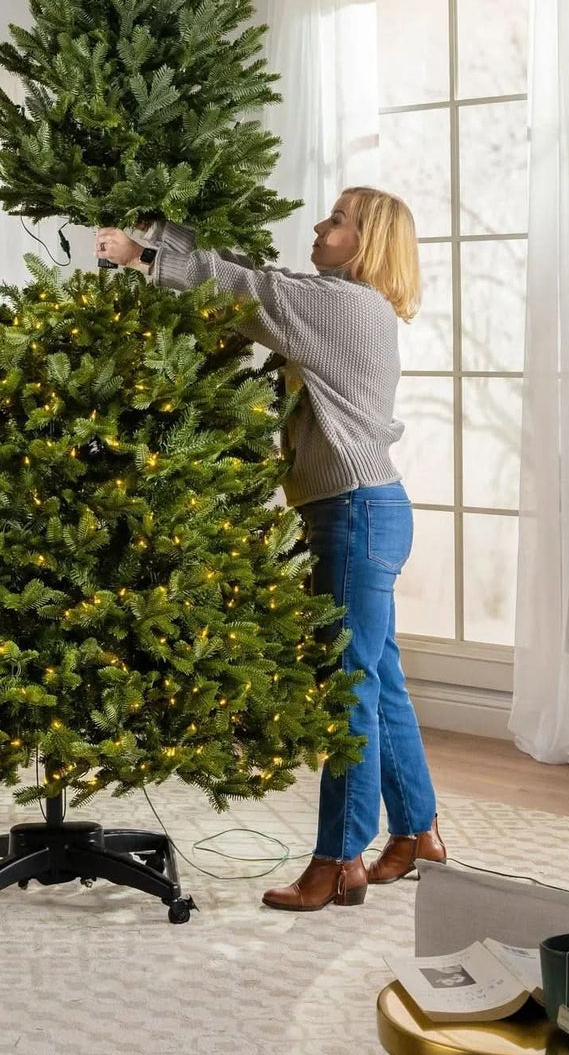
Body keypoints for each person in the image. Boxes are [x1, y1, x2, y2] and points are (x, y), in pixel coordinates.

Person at [95, 187, 446, 912]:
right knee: (378, 680)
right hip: (363, 508)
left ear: (368, 241)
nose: (321, 225)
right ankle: (417, 832)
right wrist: (160, 229)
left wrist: (144, 254)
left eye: (338, 220)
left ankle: (338, 860)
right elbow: (262, 278)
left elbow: (250, 287)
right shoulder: (351, 303)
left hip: (354, 512)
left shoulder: (344, 305)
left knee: (347, 689)